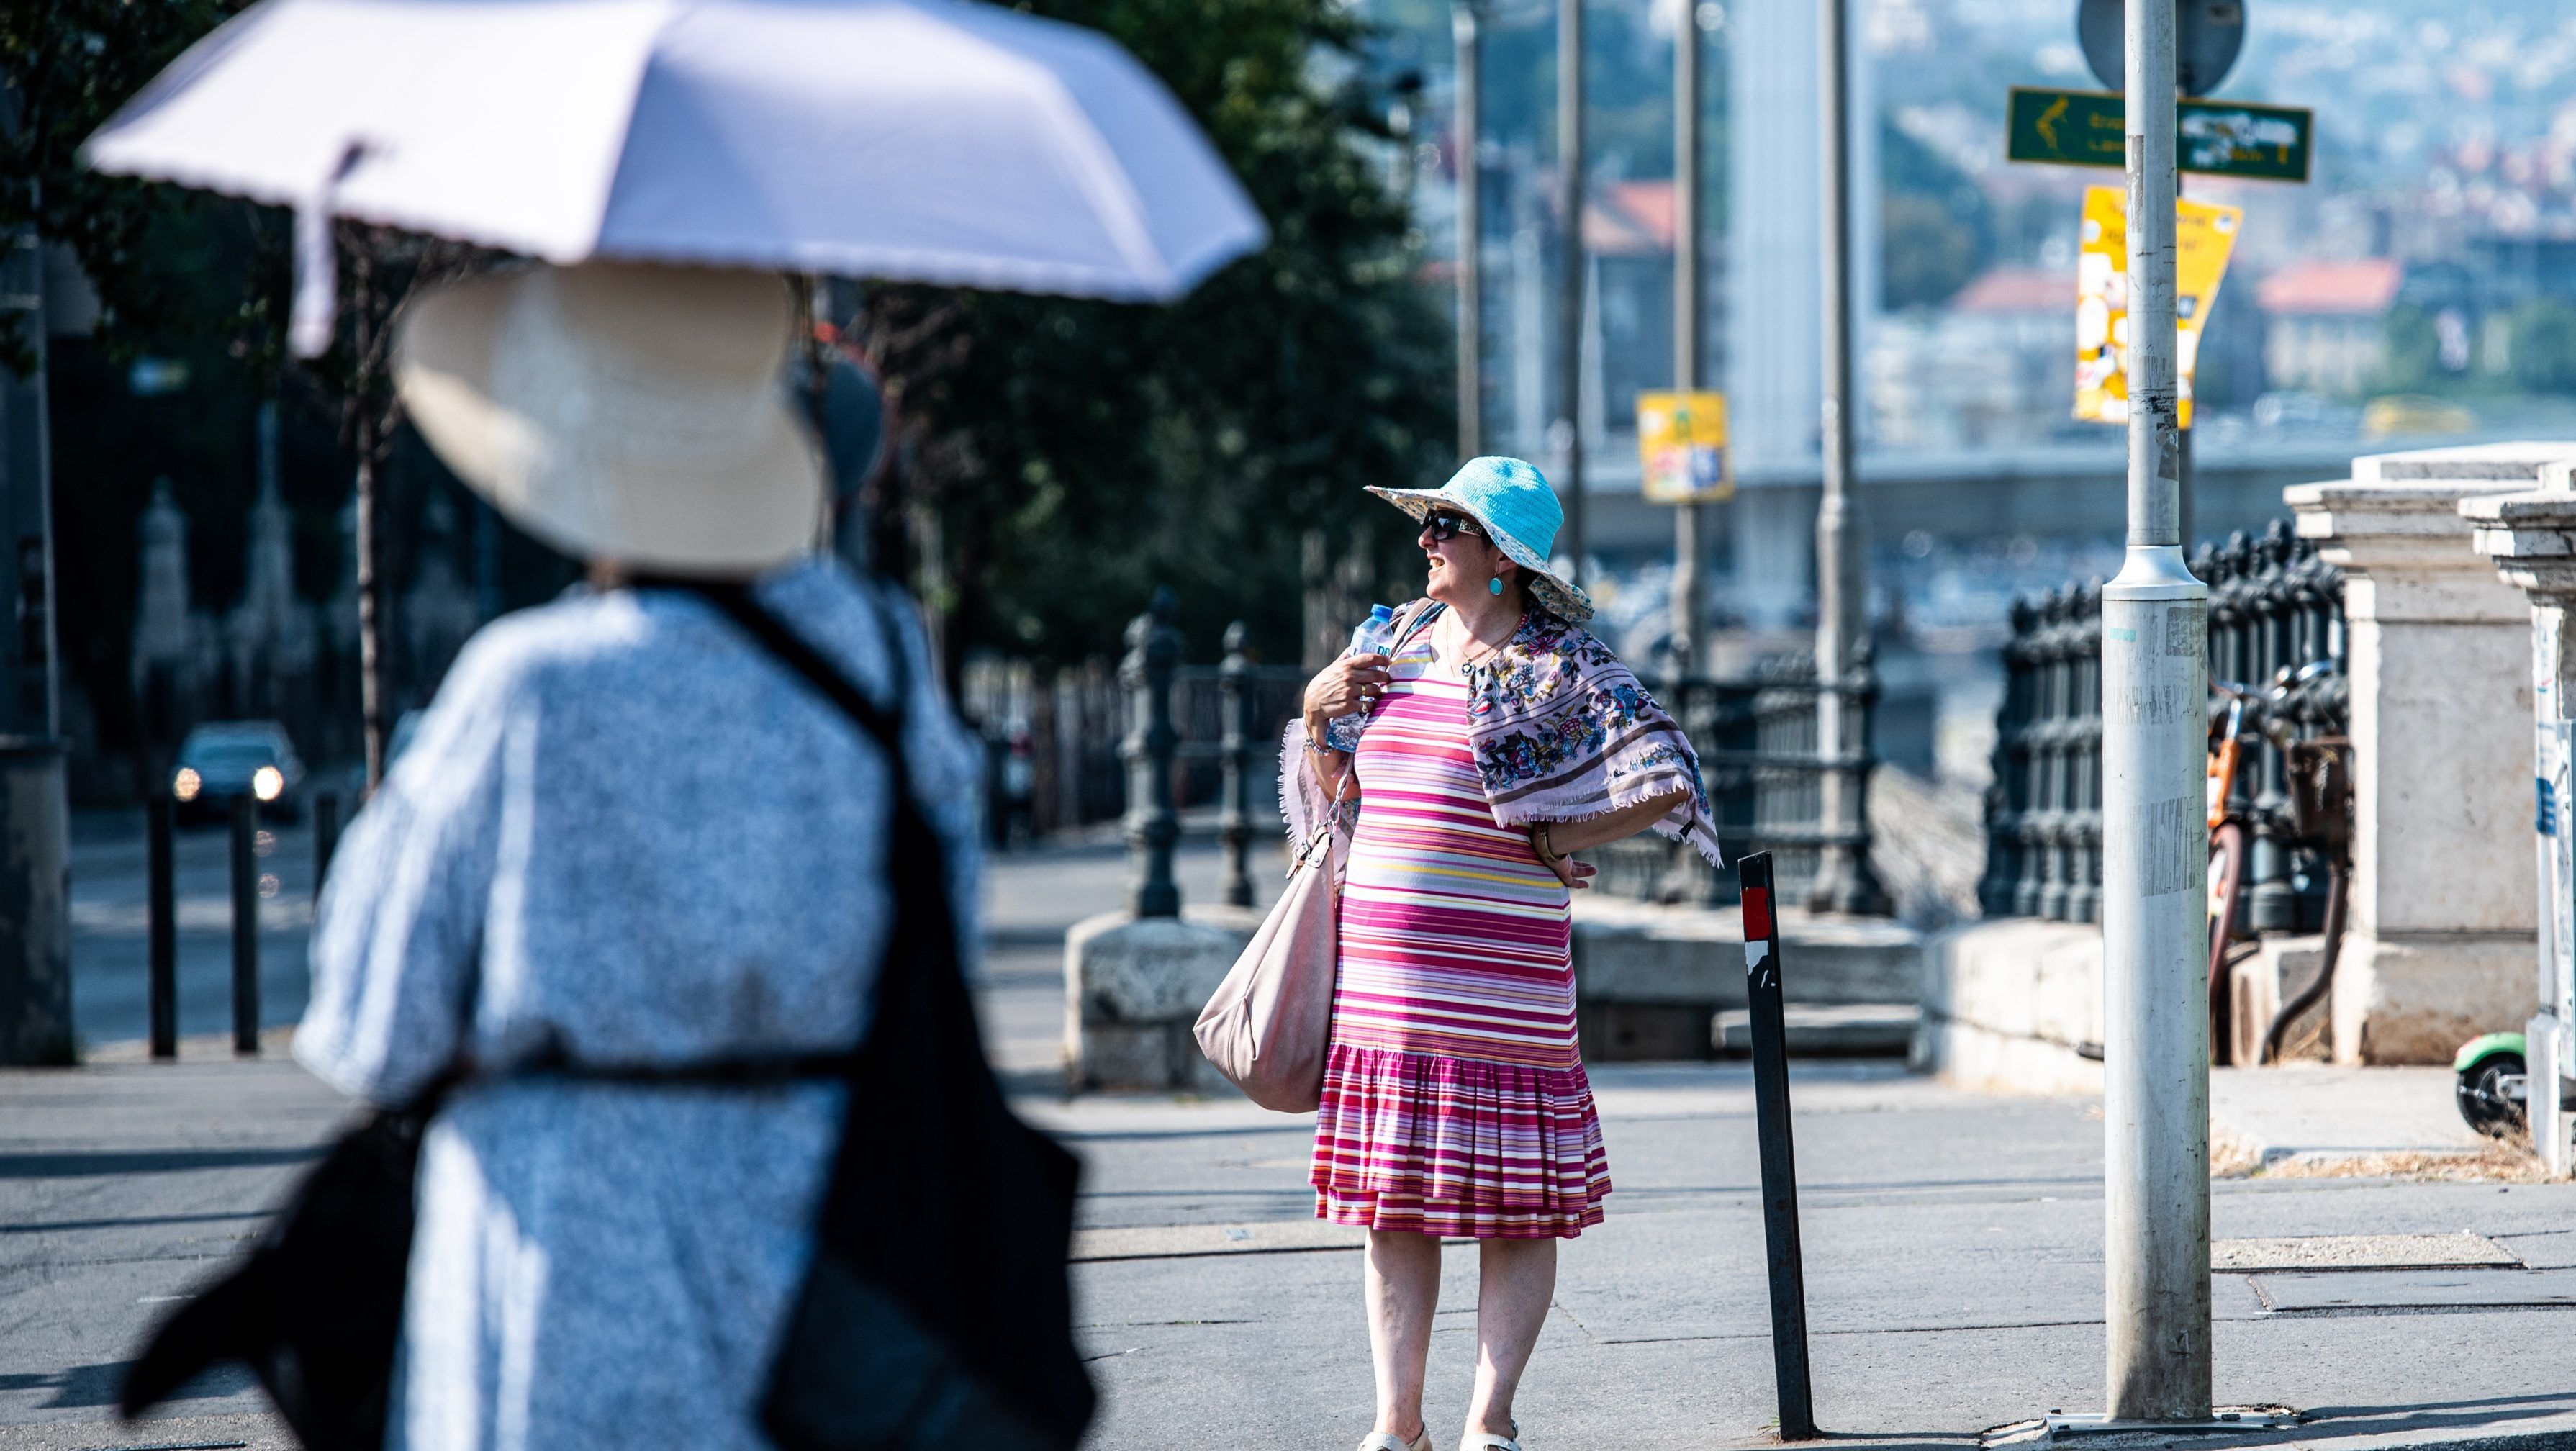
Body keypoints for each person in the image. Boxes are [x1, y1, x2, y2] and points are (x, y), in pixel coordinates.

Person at [294, 261, 983, 1451]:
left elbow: (372, 1022)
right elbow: (945, 955)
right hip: (829, 1259)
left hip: (562, 1253)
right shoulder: (880, 664)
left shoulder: (528, 688)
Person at [1285, 456, 1720, 1451]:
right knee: (1392, 1205)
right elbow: (1337, 793)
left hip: (1502, 980)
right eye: (1429, 522)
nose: (1427, 539)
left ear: (1502, 559)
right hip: (1385, 982)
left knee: (1514, 1207)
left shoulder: (1562, 663)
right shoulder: (1388, 642)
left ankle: (1491, 1420)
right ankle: (1397, 1426)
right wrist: (1318, 713)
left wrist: (1558, 838)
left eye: (1448, 525)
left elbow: (1667, 775)